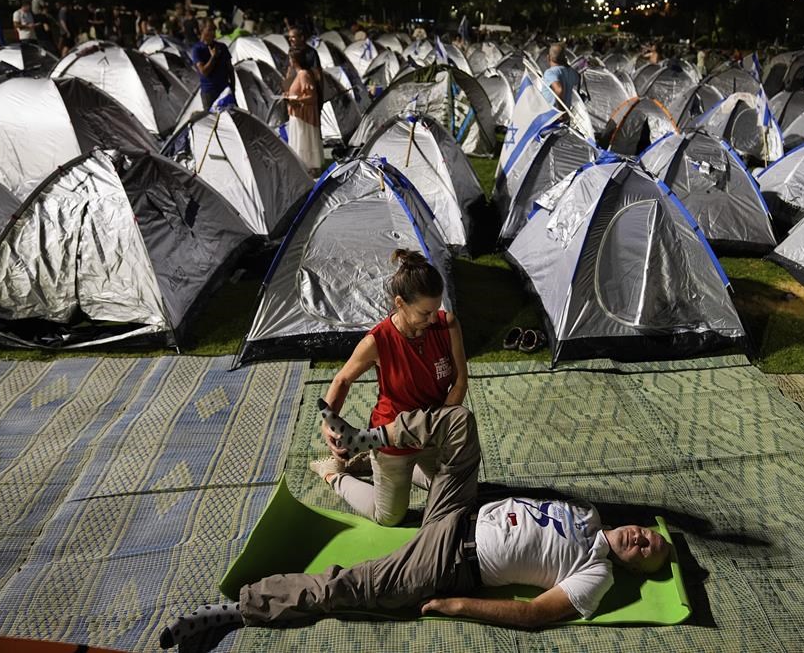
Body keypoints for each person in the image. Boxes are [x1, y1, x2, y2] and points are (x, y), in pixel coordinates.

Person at [158, 402, 669, 649]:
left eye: (646, 552)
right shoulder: (589, 515)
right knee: (461, 424)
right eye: (649, 535)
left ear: (632, 566)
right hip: (458, 507)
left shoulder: (595, 576)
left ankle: (233, 611)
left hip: (450, 561)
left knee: (347, 587)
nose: (643, 540)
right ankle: (369, 439)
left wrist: (457, 604)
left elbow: (534, 614)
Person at [309, 250, 469, 528]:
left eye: (437, 308)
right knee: (390, 517)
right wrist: (328, 423)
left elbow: (460, 381)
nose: (433, 318)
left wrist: (434, 427)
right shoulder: (378, 341)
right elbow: (342, 380)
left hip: (431, 434)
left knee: (455, 499)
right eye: (424, 312)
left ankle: (367, 461)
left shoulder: (447, 325)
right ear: (400, 303)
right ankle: (335, 474)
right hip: (391, 439)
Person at [284, 47, 324, 172]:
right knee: (301, 140)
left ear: (294, 60)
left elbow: (312, 96)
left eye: (290, 58)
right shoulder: (299, 74)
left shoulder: (304, 75)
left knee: (304, 140)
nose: (289, 61)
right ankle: (305, 167)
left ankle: (310, 167)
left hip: (303, 115)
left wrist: (298, 100)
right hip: (298, 114)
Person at [191, 21, 234, 109]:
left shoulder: (222, 47)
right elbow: (204, 72)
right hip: (209, 91)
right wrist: (214, 57)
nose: (213, 33)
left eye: (214, 30)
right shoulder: (197, 49)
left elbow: (230, 69)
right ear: (202, 30)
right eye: (210, 30)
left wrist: (232, 87)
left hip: (224, 90)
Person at [541, 42, 580, 110]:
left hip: (552, 115)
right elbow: (578, 79)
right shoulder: (571, 72)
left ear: (548, 57)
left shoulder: (550, 73)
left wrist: (561, 110)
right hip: (566, 113)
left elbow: (559, 90)